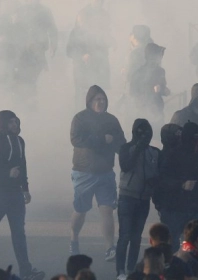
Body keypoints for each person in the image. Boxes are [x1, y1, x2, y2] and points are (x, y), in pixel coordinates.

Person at [69, 85, 126, 260]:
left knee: (107, 210)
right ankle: (74, 239)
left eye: (103, 99)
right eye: (97, 99)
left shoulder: (112, 120)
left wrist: (128, 156)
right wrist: (102, 139)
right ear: (90, 101)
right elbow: (75, 139)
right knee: (81, 210)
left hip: (106, 172)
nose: (100, 102)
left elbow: (121, 143)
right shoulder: (80, 118)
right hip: (84, 172)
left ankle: (110, 247)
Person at [0, 110, 45, 280]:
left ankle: (26, 272)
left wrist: (26, 188)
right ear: (3, 124)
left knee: (19, 234)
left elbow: (23, 165)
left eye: (16, 121)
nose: (15, 125)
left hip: (16, 196)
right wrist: (7, 174)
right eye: (11, 122)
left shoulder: (20, 141)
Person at [116, 119, 160, 279]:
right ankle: (120, 271)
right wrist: (137, 148)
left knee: (136, 237)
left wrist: (153, 182)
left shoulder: (155, 152)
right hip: (127, 197)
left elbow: (159, 174)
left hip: (144, 199)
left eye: (147, 133)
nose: (144, 136)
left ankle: (131, 269)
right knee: (125, 236)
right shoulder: (126, 148)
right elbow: (125, 166)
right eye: (140, 132)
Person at [158, 122, 198, 252]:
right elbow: (162, 180)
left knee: (197, 242)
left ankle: (193, 269)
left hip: (193, 207)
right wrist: (181, 184)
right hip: (174, 208)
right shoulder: (172, 155)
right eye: (196, 137)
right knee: (171, 246)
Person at [67, 0, 114, 111]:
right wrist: (82, 55)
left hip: (99, 68)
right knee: (82, 97)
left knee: (99, 94)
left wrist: (112, 41)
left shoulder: (99, 32)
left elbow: (104, 43)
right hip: (82, 70)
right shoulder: (75, 33)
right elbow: (69, 50)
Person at [12, 0, 58, 108]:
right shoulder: (20, 10)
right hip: (21, 52)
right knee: (19, 80)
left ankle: (31, 107)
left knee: (31, 81)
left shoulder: (45, 11)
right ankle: (21, 106)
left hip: (37, 52)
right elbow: (13, 29)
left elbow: (52, 30)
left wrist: (53, 46)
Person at [130, 43, 169, 134]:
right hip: (144, 111)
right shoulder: (139, 73)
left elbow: (162, 87)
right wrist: (151, 90)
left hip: (158, 110)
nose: (161, 57)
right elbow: (133, 92)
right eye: (159, 54)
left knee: (158, 136)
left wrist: (164, 90)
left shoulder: (160, 71)